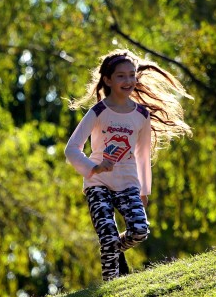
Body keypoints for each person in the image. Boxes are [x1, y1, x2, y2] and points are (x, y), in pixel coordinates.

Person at [65, 49, 192, 281]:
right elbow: (71, 149)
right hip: (97, 183)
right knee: (106, 236)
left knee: (140, 230)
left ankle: (115, 248)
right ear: (108, 80)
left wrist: (145, 190)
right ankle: (110, 286)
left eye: (131, 75)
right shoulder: (98, 111)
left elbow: (143, 155)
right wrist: (93, 168)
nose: (128, 81)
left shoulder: (142, 115)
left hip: (128, 183)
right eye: (121, 76)